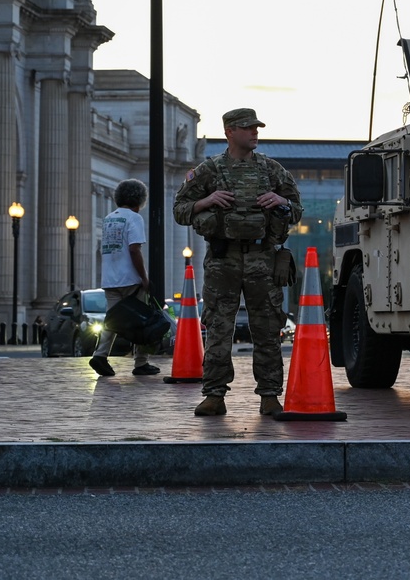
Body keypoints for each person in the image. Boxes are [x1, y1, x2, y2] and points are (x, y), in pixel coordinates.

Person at [173, 108, 302, 417]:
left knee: (267, 329)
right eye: (247, 128)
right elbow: (179, 209)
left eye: (256, 127)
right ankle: (214, 394)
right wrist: (207, 200)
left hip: (263, 258)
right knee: (218, 327)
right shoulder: (208, 171)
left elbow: (297, 210)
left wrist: (282, 202)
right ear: (230, 131)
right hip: (223, 259)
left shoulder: (273, 171)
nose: (254, 132)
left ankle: (270, 395)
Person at [89, 179, 160, 377]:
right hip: (130, 279)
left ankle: (100, 355)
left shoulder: (109, 218)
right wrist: (144, 278)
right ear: (139, 200)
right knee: (141, 320)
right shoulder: (134, 218)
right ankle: (141, 362)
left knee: (111, 320)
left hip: (110, 280)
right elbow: (134, 249)